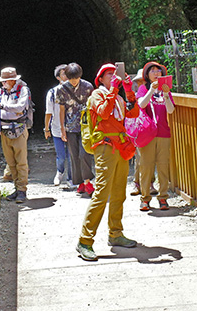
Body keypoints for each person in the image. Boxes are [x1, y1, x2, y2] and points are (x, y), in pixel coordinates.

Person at [76, 63, 139, 261]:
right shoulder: (97, 95)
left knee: (119, 193)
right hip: (105, 147)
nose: (113, 76)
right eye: (108, 74)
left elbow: (134, 113)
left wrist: (128, 90)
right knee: (101, 194)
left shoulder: (118, 97)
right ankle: (85, 241)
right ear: (100, 79)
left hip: (119, 147)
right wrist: (113, 89)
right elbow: (103, 113)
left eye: (115, 73)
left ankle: (116, 234)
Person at [136, 61, 175, 211]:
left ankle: (163, 197)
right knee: (146, 166)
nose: (156, 73)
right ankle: (145, 198)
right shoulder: (143, 88)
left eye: (158, 70)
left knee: (163, 166)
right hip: (147, 134)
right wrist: (151, 91)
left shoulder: (166, 90)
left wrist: (165, 94)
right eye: (152, 71)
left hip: (164, 133)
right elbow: (141, 104)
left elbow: (170, 111)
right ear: (147, 75)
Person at [0, 67, 31, 203]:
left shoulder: (23, 90)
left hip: (18, 128)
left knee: (21, 162)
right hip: (5, 130)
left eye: (5, 81)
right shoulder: (2, 91)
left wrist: (1, 106)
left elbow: (20, 107)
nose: (3, 83)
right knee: (11, 162)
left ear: (13, 80)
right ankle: (17, 189)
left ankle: (22, 190)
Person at [55, 63, 95, 196]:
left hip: (85, 126)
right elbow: (61, 109)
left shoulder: (88, 87)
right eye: (71, 78)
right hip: (70, 126)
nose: (73, 81)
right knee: (74, 155)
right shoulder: (61, 89)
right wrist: (62, 129)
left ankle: (88, 181)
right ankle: (80, 183)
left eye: (76, 78)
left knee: (84, 153)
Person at [129, 69, 159, 197]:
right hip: (139, 129)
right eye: (138, 81)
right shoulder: (138, 93)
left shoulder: (152, 91)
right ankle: (138, 183)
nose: (140, 83)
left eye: (142, 81)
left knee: (146, 159)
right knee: (139, 158)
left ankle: (147, 184)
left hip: (149, 129)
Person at [44, 64, 71, 186]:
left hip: (72, 127)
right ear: (58, 77)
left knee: (72, 156)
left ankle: (71, 178)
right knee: (61, 156)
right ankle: (59, 172)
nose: (66, 76)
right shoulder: (52, 93)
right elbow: (48, 112)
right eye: (63, 74)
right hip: (56, 128)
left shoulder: (77, 89)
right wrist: (46, 128)